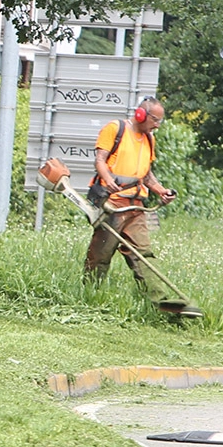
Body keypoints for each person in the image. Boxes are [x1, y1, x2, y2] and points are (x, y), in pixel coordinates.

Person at [83, 96, 201, 317]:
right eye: (155, 120)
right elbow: (100, 159)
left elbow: (145, 174)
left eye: (160, 121)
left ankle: (162, 304)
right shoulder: (115, 129)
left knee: (144, 255)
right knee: (100, 256)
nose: (157, 125)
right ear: (141, 114)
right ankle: (89, 299)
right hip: (112, 204)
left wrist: (161, 191)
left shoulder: (149, 139)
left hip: (136, 206)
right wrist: (107, 178)